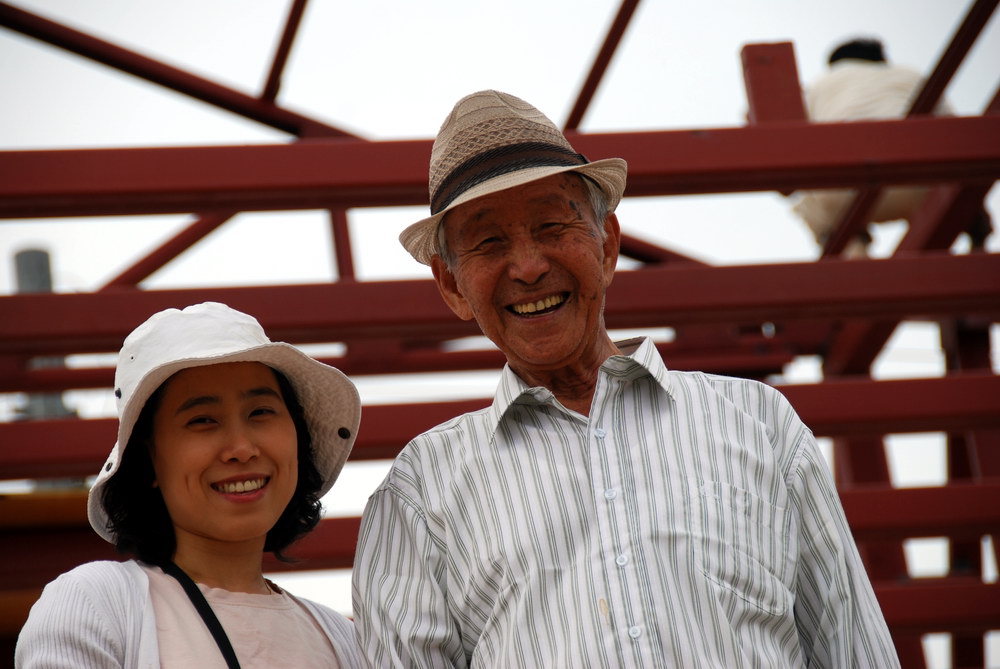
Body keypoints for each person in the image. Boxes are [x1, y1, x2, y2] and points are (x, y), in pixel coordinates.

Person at [352, 89, 900, 668]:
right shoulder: (420, 494)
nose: (530, 266)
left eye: (551, 225)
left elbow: (852, 647)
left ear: (607, 244)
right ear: (453, 286)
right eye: (489, 242)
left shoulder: (759, 424)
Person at [16, 302, 363, 668]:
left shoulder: (343, 639)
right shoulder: (98, 603)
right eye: (202, 420)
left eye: (261, 412)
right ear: (147, 459)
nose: (242, 449)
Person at [791, 37, 989, 256]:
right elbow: (953, 135)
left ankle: (855, 256)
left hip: (848, 195)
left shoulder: (821, 84)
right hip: (925, 186)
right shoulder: (912, 76)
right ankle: (977, 245)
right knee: (961, 180)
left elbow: (795, 148)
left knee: (809, 202)